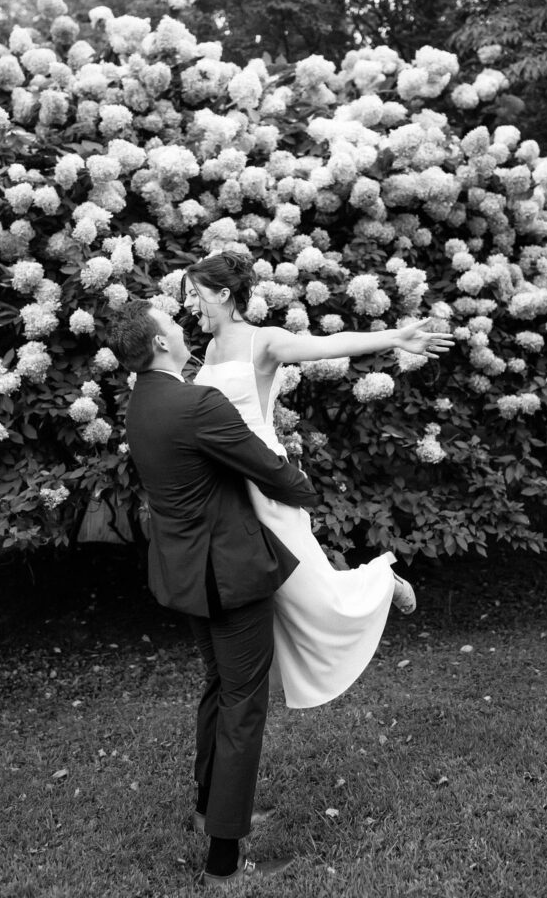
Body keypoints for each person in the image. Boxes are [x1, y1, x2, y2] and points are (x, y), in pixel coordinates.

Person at [183, 251, 455, 709]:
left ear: (224, 294)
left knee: (308, 590)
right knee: (262, 587)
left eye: (195, 294)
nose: (189, 304)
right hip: (225, 481)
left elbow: (329, 346)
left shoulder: (264, 341)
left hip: (264, 479)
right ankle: (251, 679)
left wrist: (395, 338)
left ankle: (381, 583)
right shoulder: (209, 349)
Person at [107, 298, 317, 889]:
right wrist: (304, 493)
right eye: (172, 326)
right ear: (158, 346)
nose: (182, 327)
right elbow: (267, 468)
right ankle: (225, 860)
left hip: (183, 573)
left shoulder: (141, 404)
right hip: (227, 574)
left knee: (221, 686)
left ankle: (211, 805)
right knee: (243, 703)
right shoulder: (197, 402)